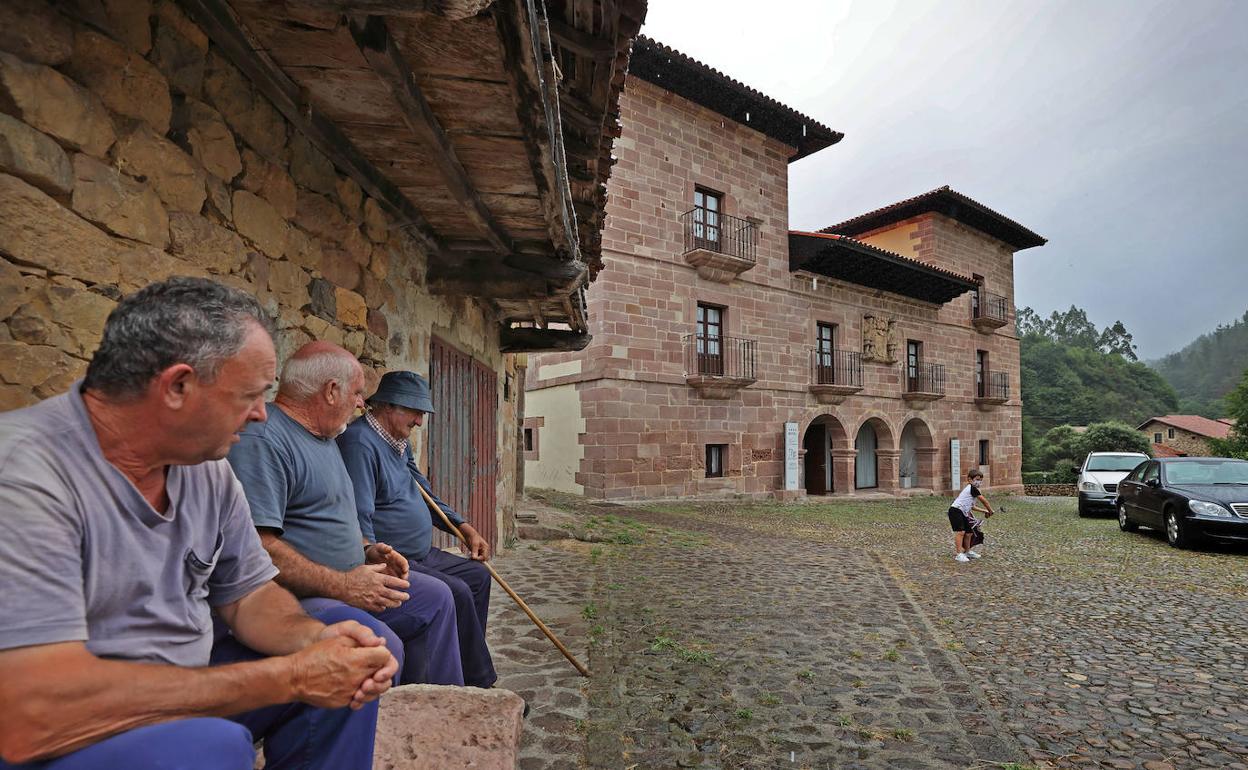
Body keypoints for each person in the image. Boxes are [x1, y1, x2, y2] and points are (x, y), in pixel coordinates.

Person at [0, 277, 396, 769]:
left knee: (345, 646)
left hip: (180, 689)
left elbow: (249, 594)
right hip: (58, 725)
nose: (259, 415)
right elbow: (31, 712)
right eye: (249, 396)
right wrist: (291, 678)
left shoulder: (206, 468)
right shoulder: (24, 476)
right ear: (177, 386)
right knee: (209, 748)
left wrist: (315, 643)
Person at [227, 342, 464, 686]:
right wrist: (345, 585)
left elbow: (332, 517)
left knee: (437, 597)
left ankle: (442, 710)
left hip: (348, 578)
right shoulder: (265, 439)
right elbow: (257, 548)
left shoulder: (324, 438)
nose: (360, 404)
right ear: (331, 390)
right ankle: (383, 730)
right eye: (357, 393)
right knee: (383, 647)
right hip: (294, 598)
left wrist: (367, 550)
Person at [338, 371, 497, 688]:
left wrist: (464, 529)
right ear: (390, 407)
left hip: (423, 552)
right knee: (457, 592)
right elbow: (359, 517)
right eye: (416, 412)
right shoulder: (359, 444)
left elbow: (426, 496)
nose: (420, 422)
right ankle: (477, 685)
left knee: (478, 577)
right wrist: (372, 559)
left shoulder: (398, 444)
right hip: (398, 558)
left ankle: (466, 670)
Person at [947, 469, 996, 563]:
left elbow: (972, 507)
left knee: (969, 533)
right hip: (955, 511)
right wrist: (990, 510)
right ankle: (959, 554)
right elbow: (984, 501)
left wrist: (985, 511)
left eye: (981, 480)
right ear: (970, 479)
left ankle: (967, 552)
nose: (979, 482)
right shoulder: (972, 488)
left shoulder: (974, 490)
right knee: (960, 532)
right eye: (977, 479)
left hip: (962, 512)